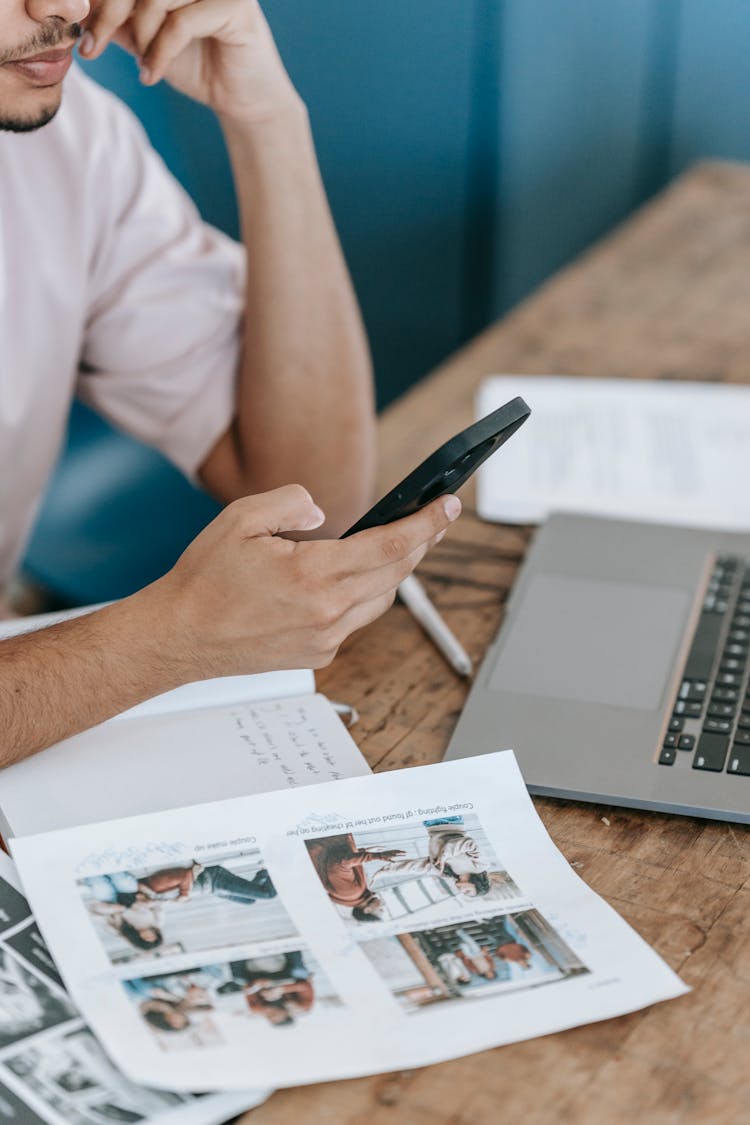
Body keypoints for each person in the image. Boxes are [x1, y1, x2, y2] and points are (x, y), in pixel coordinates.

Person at [0, 0, 462, 766]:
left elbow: (309, 501)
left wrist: (267, 119)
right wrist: (168, 639)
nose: (67, 9)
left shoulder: (73, 143)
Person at [305, 833, 408, 921]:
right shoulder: (352, 896)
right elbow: (341, 861)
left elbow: (339, 863)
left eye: (380, 910)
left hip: (325, 837)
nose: (383, 905)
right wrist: (361, 851)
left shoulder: (352, 892)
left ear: (367, 910)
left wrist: (378, 856)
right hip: (324, 839)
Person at [137, 860, 277, 904]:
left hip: (214, 879)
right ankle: (264, 871)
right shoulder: (153, 897)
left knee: (268, 894)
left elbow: (185, 874)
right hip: (212, 889)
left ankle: (274, 864)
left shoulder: (155, 885)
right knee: (249, 901)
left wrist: (184, 894)